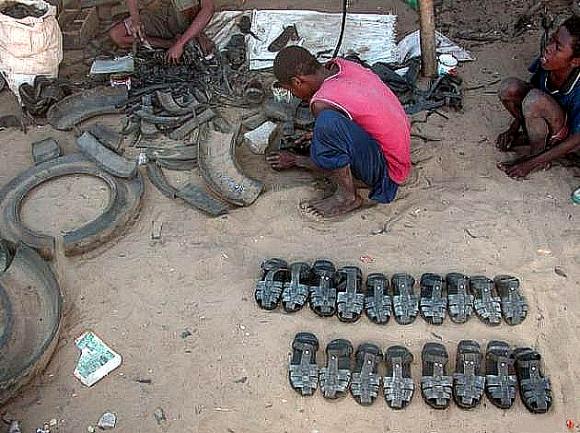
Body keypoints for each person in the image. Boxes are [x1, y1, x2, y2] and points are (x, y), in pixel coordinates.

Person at [266, 46, 411, 218]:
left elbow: (328, 163)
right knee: (327, 128)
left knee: (327, 123)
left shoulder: (320, 103)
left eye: (291, 90)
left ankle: (347, 197)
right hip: (399, 153)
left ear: (297, 81)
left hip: (387, 173)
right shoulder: (343, 65)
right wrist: (318, 136)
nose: (295, 95)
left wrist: (295, 160)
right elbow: (358, 112)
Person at [497, 15, 580, 178]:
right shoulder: (547, 62)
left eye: (558, 47)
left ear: (575, 62)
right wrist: (513, 129)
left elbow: (577, 139)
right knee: (509, 88)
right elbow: (532, 89)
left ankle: (538, 155)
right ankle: (535, 138)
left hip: (569, 138)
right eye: (552, 40)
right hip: (551, 118)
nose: (548, 48)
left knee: (535, 100)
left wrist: (530, 164)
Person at [108, 0, 215, 62]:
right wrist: (136, 19)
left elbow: (208, 8)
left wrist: (181, 43)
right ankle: (168, 44)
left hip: (184, 19)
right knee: (116, 35)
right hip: (159, 12)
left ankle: (190, 39)